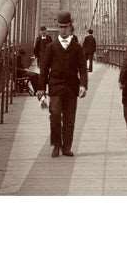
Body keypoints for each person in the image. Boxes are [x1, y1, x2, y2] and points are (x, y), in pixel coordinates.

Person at [38, 11, 87, 157]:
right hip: (56, 87)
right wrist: (41, 88)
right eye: (60, 27)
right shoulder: (51, 47)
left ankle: (67, 147)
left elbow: (83, 68)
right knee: (55, 115)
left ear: (70, 27)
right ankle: (56, 144)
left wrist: (83, 85)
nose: (63, 30)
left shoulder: (77, 47)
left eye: (65, 27)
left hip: (72, 88)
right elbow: (44, 69)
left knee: (69, 119)